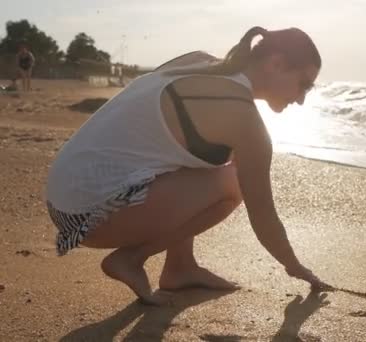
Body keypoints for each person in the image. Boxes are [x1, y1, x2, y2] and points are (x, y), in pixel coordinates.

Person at [45, 26, 327, 305]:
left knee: (201, 159)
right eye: (303, 83)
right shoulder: (243, 118)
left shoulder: (199, 62)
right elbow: (263, 214)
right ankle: (131, 259)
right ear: (275, 63)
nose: (302, 99)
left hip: (64, 197)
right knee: (232, 183)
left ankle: (180, 267)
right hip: (87, 215)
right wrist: (295, 267)